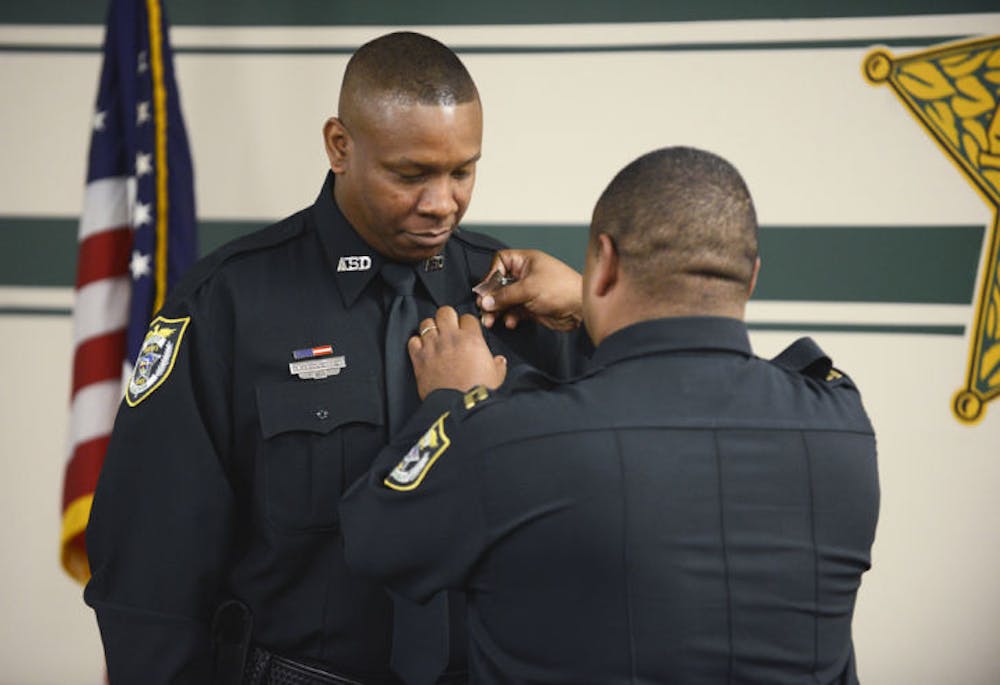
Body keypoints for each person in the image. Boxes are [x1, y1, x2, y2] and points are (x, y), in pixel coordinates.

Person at [84, 31, 585, 684]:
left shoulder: (523, 298)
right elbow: (151, 566)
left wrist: (592, 311)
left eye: (463, 170)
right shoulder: (228, 304)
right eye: (411, 174)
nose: (443, 203)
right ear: (339, 146)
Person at [340, 146, 880, 684]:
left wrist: (449, 407)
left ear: (605, 261)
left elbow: (373, 539)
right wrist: (592, 299)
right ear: (751, 277)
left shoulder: (507, 440)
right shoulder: (840, 425)